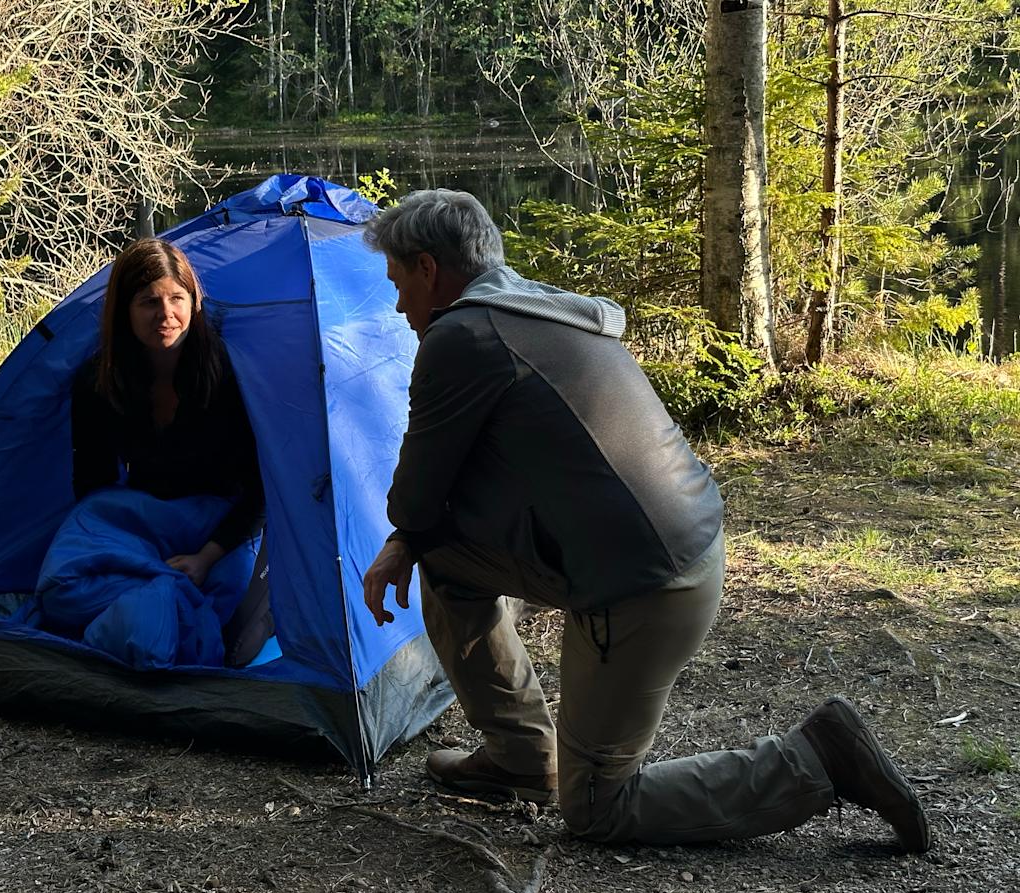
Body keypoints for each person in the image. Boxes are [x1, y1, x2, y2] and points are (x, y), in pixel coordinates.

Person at [360, 189, 930, 852]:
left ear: (429, 268)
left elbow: (417, 494)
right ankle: (519, 759)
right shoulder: (538, 309)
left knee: (600, 809)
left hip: (640, 588)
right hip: (679, 552)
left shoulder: (463, 335)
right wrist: (416, 540)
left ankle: (819, 758)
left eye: (400, 285)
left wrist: (402, 536)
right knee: (448, 561)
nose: (401, 307)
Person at [70, 237, 265, 581]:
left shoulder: (226, 376)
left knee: (229, 591)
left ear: (193, 303)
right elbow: (93, 490)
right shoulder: (100, 383)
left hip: (224, 532)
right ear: (124, 311)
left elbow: (258, 491)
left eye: (177, 298)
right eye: (149, 302)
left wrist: (206, 557)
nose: (166, 314)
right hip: (145, 524)